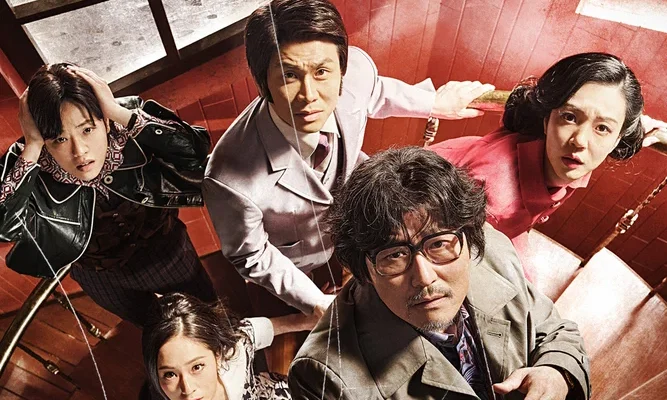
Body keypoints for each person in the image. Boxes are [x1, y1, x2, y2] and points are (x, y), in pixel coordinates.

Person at [203, 0, 494, 319]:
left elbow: (378, 92)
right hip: (296, 260)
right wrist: (316, 303)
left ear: (341, 70)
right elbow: (252, 254)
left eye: (322, 72)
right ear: (263, 83)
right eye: (289, 75)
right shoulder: (227, 178)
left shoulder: (357, 72)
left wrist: (433, 103)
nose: (309, 95)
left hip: (352, 228)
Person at [288, 147, 591, 400]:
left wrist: (556, 372)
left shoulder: (492, 250)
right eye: (394, 255)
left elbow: (554, 329)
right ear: (364, 269)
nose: (424, 277)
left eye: (438, 244)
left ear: (469, 238)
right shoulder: (323, 376)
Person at [0, 64, 217, 326]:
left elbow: (194, 151)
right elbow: (4, 227)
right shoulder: (30, 161)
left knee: (209, 318)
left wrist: (118, 112)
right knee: (153, 329)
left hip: (166, 251)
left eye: (87, 130)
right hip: (99, 275)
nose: (79, 151)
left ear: (104, 121)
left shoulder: (125, 122)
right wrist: (33, 146)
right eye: (59, 139)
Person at [429, 52, 667, 280]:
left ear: (618, 139)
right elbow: (442, 256)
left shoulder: (552, 148)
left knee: (528, 279)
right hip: (442, 219)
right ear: (546, 120)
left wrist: (636, 130)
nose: (580, 141)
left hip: (502, 223)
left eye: (602, 127)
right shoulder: (495, 195)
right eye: (569, 117)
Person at [142, 292, 316, 400]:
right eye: (170, 374)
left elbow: (254, 330)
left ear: (218, 355)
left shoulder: (235, 354)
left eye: (197, 367)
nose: (187, 389)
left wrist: (305, 320)